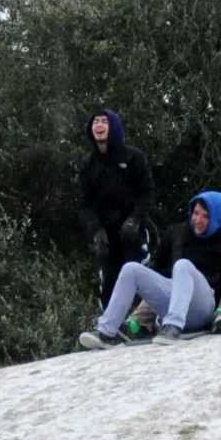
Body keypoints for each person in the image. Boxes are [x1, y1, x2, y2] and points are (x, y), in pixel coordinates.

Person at [79, 190, 221, 348]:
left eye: (205, 216)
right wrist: (145, 312)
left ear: (216, 218)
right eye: (196, 213)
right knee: (131, 269)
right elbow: (158, 270)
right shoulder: (177, 233)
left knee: (183, 265)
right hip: (174, 300)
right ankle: (107, 332)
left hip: (204, 306)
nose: (198, 220)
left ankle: (172, 327)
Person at [78, 109, 155, 309]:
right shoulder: (88, 165)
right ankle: (111, 329)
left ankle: (142, 325)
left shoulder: (133, 157)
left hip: (132, 232)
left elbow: (147, 192)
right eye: (95, 122)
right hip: (107, 236)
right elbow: (85, 204)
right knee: (109, 283)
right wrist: (95, 230)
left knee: (139, 277)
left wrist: (135, 220)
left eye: (104, 121)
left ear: (114, 126)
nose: (99, 126)